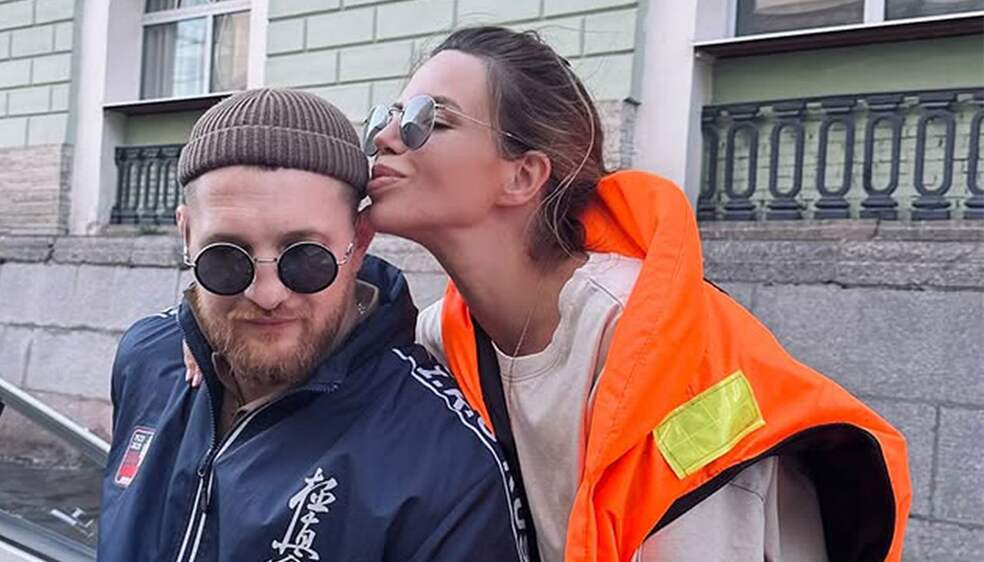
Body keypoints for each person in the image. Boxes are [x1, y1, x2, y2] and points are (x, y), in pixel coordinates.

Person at [362, 27, 912, 562]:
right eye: (387, 117)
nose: (386, 138)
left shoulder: (662, 349)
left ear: (523, 176)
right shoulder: (441, 339)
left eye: (427, 120)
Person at [99, 88, 530, 562]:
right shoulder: (148, 358)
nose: (267, 295)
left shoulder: (444, 463)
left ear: (359, 242)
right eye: (226, 259)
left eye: (306, 259)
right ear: (186, 235)